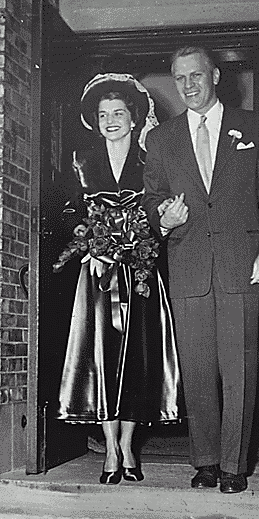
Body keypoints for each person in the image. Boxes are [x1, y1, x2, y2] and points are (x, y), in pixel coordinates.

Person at [142, 46, 259, 493]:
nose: (188, 85)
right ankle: (205, 461)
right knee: (199, 369)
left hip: (243, 267)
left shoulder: (255, 127)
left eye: (196, 75)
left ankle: (233, 466)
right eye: (179, 77)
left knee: (241, 370)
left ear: (215, 76)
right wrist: (163, 219)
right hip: (188, 267)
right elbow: (152, 201)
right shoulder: (162, 139)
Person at [57, 73, 183, 485]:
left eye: (119, 113)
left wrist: (146, 238)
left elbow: (158, 211)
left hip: (141, 274)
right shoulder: (81, 160)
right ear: (94, 120)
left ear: (134, 117)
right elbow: (69, 212)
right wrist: (90, 245)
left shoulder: (151, 159)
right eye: (103, 113)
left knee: (137, 361)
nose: (111, 119)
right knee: (102, 357)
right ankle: (109, 449)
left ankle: (129, 445)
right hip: (97, 276)